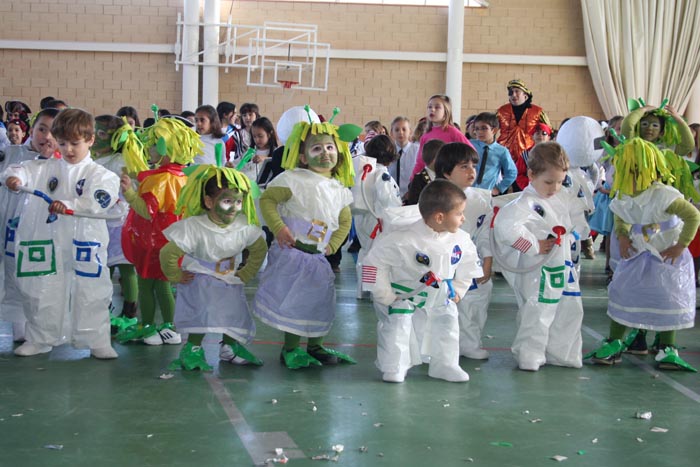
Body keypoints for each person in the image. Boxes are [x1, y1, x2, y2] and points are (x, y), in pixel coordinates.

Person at [1, 108, 120, 359]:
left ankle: (97, 339)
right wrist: (13, 178)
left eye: (75, 143)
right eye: (63, 143)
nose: (68, 150)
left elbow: (101, 198)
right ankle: (40, 338)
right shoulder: (45, 168)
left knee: (91, 288)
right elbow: (21, 169)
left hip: (84, 241)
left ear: (90, 140)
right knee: (42, 288)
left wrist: (71, 206)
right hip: (48, 239)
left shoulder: (100, 174)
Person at [587, 113, 700, 371]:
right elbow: (621, 214)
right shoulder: (626, 193)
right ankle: (616, 339)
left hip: (667, 256)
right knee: (624, 291)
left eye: (637, 170)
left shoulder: (664, 194)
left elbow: (693, 215)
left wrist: (681, 245)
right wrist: (624, 236)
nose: (633, 175)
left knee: (667, 297)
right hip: (638, 255)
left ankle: (666, 345)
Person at [253, 112, 357, 369]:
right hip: (292, 253)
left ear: (340, 152)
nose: (325, 153)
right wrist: (279, 228)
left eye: (330, 147)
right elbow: (267, 200)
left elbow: (345, 221)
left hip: (318, 256)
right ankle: (290, 348)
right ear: (302, 156)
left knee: (320, 301)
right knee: (295, 301)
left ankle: (315, 345)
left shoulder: (339, 189)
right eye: (317, 148)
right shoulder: (292, 179)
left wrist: (334, 245)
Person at [362, 179, 482, 382]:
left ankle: (445, 364)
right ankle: (395, 366)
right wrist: (384, 294)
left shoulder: (461, 239)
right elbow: (372, 264)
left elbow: (470, 265)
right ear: (439, 217)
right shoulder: (401, 239)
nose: (463, 219)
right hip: (405, 296)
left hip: (442, 296)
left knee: (447, 327)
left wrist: (460, 289)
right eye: (459, 213)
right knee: (398, 329)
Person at [160, 165, 268, 371]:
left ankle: (230, 346)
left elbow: (259, 248)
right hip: (200, 278)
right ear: (209, 202)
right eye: (227, 201)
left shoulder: (243, 225)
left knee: (233, 313)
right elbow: (168, 253)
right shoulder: (194, 226)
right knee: (201, 315)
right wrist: (175, 274)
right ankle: (192, 348)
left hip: (229, 278)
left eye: (238, 201)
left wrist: (246, 272)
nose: (235, 208)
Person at [493, 142, 583, 371]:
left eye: (560, 181)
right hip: (537, 266)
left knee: (569, 308)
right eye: (549, 182)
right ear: (531, 175)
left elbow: (577, 223)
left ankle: (562, 353)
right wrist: (534, 245)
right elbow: (505, 229)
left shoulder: (562, 197)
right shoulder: (525, 203)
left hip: (562, 263)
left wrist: (573, 235)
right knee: (537, 310)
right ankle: (529, 354)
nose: (555, 187)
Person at [118, 116, 203, 346]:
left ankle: (147, 326)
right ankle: (169, 327)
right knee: (164, 285)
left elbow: (146, 211)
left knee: (146, 284)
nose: (149, 148)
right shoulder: (180, 176)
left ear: (166, 147)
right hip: (171, 242)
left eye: (154, 143)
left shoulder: (160, 180)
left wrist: (129, 193)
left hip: (152, 242)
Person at [0, 108, 60, 342]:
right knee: (9, 276)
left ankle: (31, 330)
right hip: (6, 221)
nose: (46, 136)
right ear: (31, 130)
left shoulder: (61, 162)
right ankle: (20, 329)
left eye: (53, 132)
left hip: (35, 231)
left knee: (32, 279)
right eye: (41, 129)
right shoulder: (11, 153)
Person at [434, 142, 495, 360]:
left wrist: (487, 259)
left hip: (471, 262)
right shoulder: (433, 197)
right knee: (439, 304)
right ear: (446, 172)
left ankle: (469, 343)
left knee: (477, 301)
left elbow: (486, 233)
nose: (471, 171)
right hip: (441, 263)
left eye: (473, 165)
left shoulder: (481, 199)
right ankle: (438, 346)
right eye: (463, 166)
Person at [92, 114, 150, 324]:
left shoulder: (121, 161)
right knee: (103, 267)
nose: (95, 137)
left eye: (100, 133)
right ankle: (104, 309)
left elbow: (131, 186)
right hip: (99, 222)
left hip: (119, 222)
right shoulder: (92, 159)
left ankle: (130, 312)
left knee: (126, 268)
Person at [352, 135, 402, 298]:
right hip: (378, 221)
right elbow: (389, 200)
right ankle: (372, 288)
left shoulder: (365, 171)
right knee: (377, 255)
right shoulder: (381, 174)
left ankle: (364, 289)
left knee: (366, 252)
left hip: (363, 218)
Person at [496, 79, 550, 192]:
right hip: (504, 156)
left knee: (522, 190)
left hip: (527, 157)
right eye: (511, 92)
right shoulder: (501, 111)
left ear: (525, 95)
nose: (513, 95)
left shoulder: (538, 112)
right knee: (501, 190)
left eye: (517, 91)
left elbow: (547, 131)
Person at [411, 94, 472, 177]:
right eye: (429, 107)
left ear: (446, 111)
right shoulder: (425, 136)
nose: (432, 109)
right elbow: (420, 161)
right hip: (430, 177)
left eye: (437, 107)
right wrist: (413, 178)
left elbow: (471, 152)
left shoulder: (453, 132)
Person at [469, 112, 517, 196]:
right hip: (468, 189)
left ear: (494, 130)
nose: (479, 132)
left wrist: (499, 188)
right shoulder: (470, 145)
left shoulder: (502, 151)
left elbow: (512, 172)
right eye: (477, 129)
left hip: (487, 192)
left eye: (484, 128)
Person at [404, 139, 444, 206]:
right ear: (435, 159)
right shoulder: (418, 180)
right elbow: (413, 203)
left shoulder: (445, 177)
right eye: (443, 157)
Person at [389, 116, 419, 197]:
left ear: (410, 132)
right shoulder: (388, 150)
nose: (401, 132)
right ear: (391, 133)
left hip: (411, 194)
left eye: (404, 129)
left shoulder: (417, 150)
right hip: (390, 195)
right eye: (397, 130)